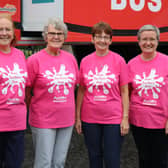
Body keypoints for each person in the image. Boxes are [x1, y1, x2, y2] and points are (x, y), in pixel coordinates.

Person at [75, 21, 129, 168]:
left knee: (112, 158)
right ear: (92, 39)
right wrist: (78, 117)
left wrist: (125, 118)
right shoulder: (85, 61)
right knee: (94, 157)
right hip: (90, 118)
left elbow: (125, 91)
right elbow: (81, 90)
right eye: (98, 36)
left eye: (106, 37)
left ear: (111, 40)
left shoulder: (119, 60)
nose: (102, 40)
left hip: (113, 118)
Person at [26, 18, 78, 168]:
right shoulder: (34, 60)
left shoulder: (70, 59)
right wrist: (36, 108)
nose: (56, 37)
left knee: (59, 163)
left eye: (60, 34)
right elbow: (27, 90)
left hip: (66, 119)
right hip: (43, 120)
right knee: (44, 163)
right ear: (45, 36)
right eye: (52, 33)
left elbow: (74, 85)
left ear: (64, 36)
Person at [128, 24, 168, 168]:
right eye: (144, 39)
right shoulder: (131, 64)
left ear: (158, 41)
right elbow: (127, 92)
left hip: (162, 123)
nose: (148, 43)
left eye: (152, 39)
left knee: (162, 161)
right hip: (139, 121)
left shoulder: (166, 62)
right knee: (144, 159)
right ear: (139, 42)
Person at [0, 14, 28, 168]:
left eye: (7, 29)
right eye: (0, 29)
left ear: (13, 32)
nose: (4, 33)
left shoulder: (19, 55)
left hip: (17, 122)